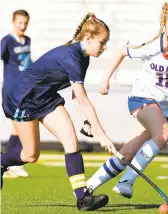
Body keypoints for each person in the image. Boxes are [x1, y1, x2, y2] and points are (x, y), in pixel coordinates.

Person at [84, 2, 168, 199]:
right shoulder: (150, 42)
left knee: (128, 151)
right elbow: (122, 51)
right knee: (163, 134)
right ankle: (127, 181)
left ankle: (89, 186)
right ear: (164, 24)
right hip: (142, 97)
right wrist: (105, 78)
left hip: (165, 108)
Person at [0, 12, 116, 211]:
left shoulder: (84, 58)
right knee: (30, 155)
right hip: (22, 98)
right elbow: (84, 100)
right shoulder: (71, 56)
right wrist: (102, 135)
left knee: (71, 139)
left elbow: (75, 94)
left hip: (45, 98)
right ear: (87, 38)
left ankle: (82, 199)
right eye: (102, 42)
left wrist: (85, 121)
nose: (104, 47)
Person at [1, 9, 32, 178]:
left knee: (18, 125)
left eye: (25, 23)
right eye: (20, 23)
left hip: (25, 88)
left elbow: (28, 62)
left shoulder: (27, 40)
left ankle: (9, 164)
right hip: (12, 89)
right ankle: (11, 163)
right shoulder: (6, 41)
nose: (23, 26)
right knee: (19, 123)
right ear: (13, 22)